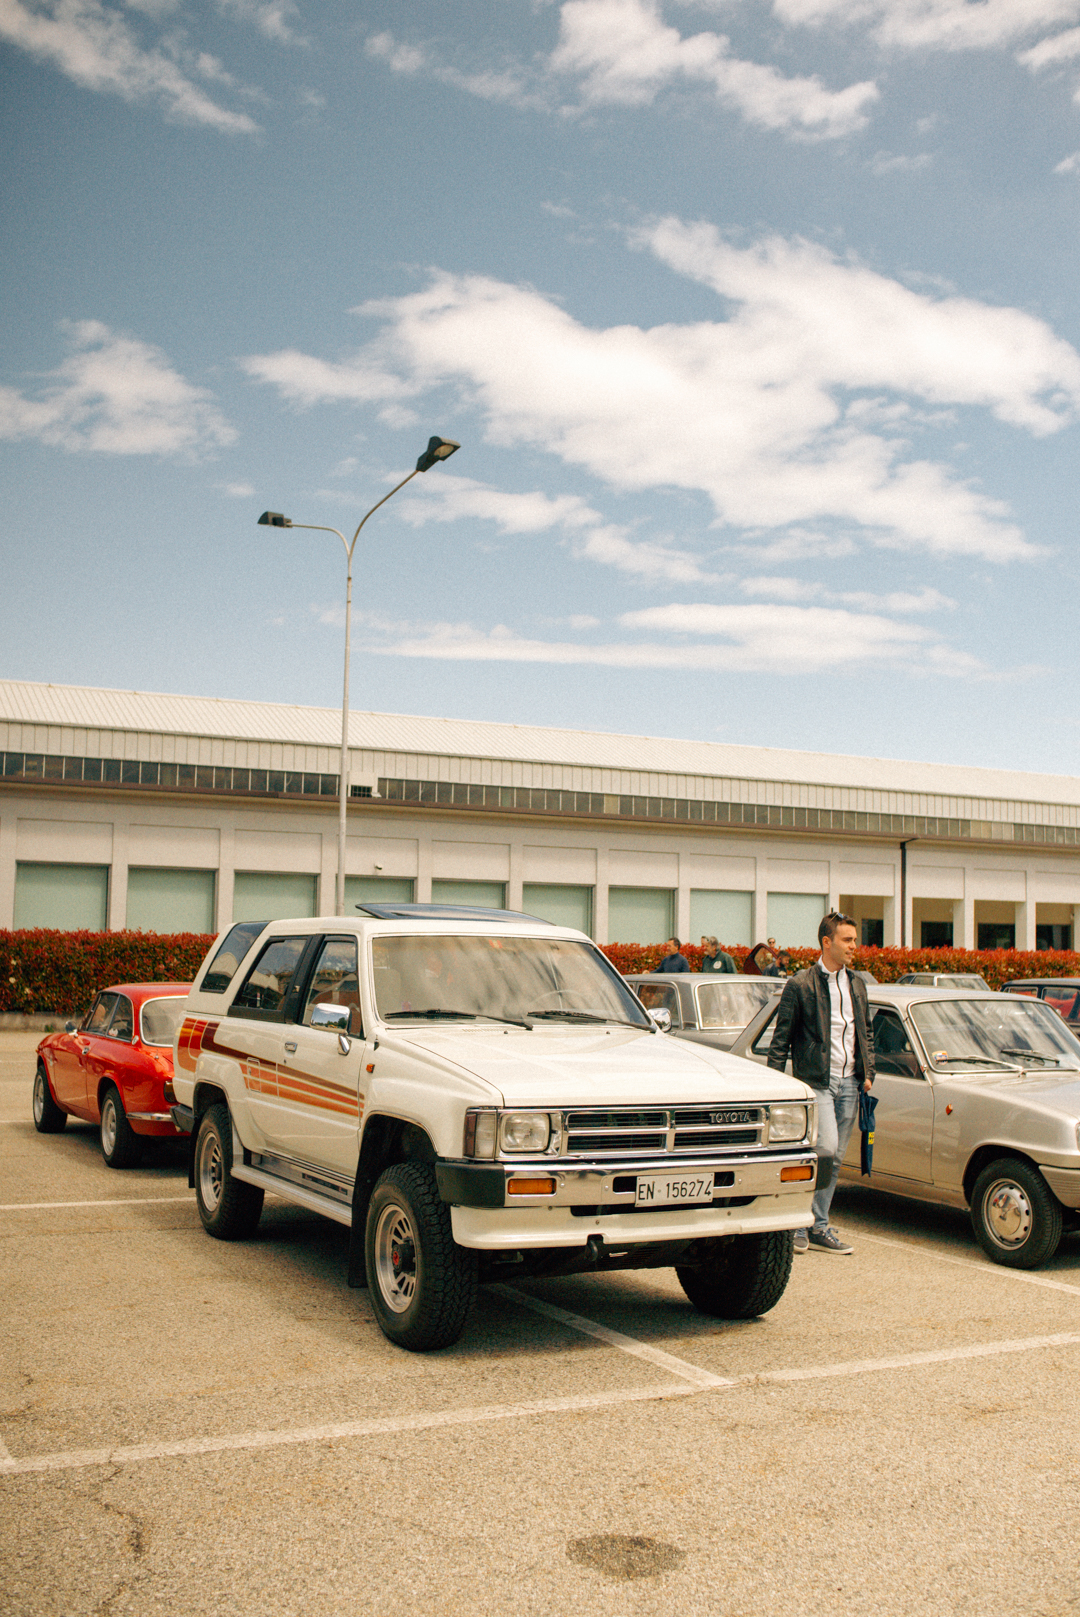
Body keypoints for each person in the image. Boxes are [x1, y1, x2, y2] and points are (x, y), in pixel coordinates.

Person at [766, 911, 875, 1255]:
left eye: (855, 940)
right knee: (823, 1150)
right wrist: (774, 1085)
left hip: (851, 1082)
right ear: (827, 942)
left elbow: (864, 1031)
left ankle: (818, 1225)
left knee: (837, 1158)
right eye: (847, 940)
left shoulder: (857, 982)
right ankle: (799, 1224)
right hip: (818, 1083)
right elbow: (780, 1040)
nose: (853, 946)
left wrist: (868, 1072)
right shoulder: (800, 984)